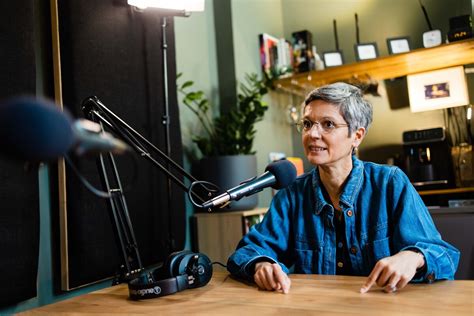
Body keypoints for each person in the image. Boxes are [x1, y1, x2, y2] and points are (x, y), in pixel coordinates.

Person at [227, 82, 459, 294]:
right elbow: (246, 252)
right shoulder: (292, 194)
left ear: (357, 136)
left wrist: (413, 257)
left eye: (327, 124)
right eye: (307, 124)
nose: (312, 134)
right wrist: (261, 264)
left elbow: (445, 256)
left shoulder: (390, 183)